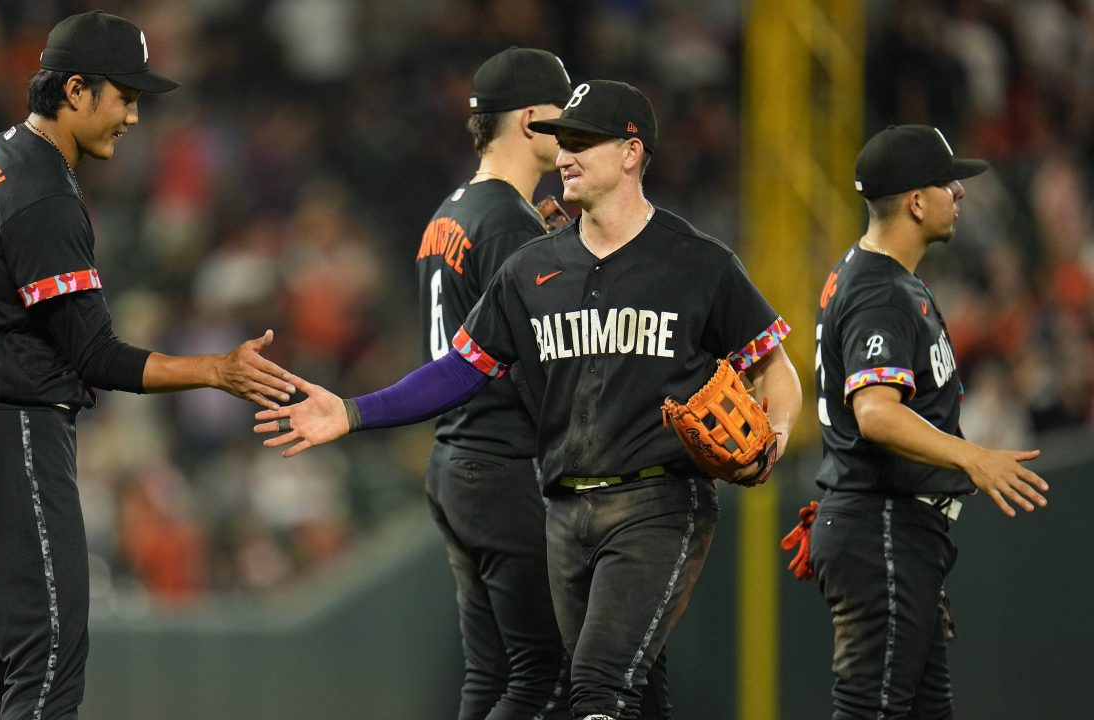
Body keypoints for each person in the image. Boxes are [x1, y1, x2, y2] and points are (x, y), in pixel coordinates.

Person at [256, 80, 802, 720]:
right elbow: (459, 370)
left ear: (631, 152)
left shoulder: (697, 262)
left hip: (658, 504)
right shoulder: (532, 268)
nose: (564, 155)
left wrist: (778, 432)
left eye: (581, 142)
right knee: (637, 695)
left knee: (595, 689)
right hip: (566, 513)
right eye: (559, 141)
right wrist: (352, 411)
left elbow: (774, 367)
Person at [0, 11, 295, 719]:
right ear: (76, 90)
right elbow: (93, 354)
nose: (134, 116)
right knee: (48, 659)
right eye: (124, 95)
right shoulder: (43, 194)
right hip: (7, 436)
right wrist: (215, 370)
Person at [800, 124, 1051, 719]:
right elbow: (876, 413)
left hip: (892, 529)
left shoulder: (881, 278)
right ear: (916, 201)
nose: (959, 194)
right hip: (880, 525)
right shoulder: (879, 290)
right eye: (948, 182)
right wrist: (973, 457)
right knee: (872, 709)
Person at [416, 47, 572, 720]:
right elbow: (544, 358)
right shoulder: (509, 219)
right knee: (542, 674)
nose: (573, 135)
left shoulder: (450, 212)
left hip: (454, 461)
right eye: (565, 118)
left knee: (490, 674)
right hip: (503, 462)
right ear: (532, 119)